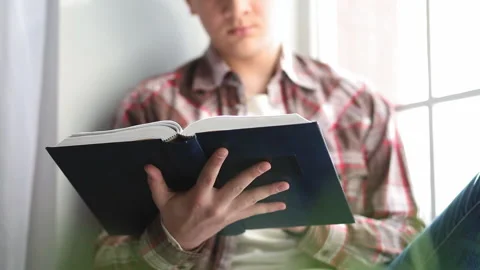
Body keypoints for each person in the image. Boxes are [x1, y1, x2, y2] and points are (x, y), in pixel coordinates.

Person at [93, 0, 480, 269]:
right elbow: (105, 262)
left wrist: (313, 224)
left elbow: (412, 244)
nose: (237, 8)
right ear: (190, 2)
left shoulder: (357, 102)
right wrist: (175, 237)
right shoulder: (150, 107)